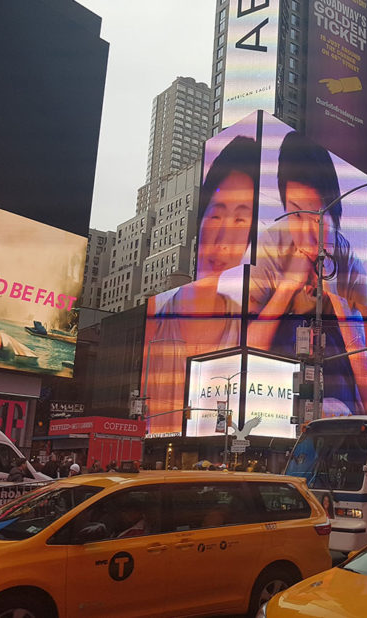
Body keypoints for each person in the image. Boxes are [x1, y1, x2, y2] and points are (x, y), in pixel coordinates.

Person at [249, 131, 367, 416]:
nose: (307, 233)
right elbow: (245, 351)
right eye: (296, 214)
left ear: (335, 213)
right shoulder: (270, 246)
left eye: (317, 215)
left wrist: (340, 304)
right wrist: (286, 290)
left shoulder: (349, 261)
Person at [144, 136, 261, 431]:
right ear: (200, 220)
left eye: (239, 221)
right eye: (217, 214)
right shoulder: (158, 314)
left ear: (250, 237)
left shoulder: (246, 328)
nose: (222, 239)